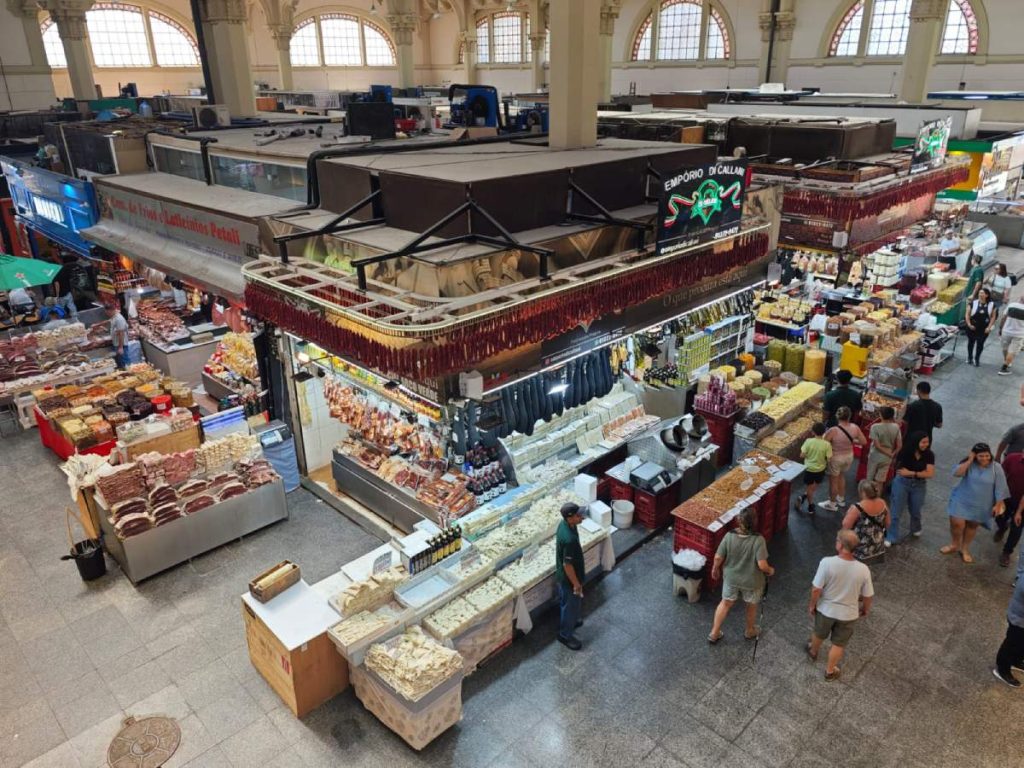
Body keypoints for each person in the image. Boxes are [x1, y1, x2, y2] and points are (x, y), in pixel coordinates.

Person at [806, 530, 874, 682]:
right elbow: (868, 595)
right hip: (848, 614)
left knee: (819, 633)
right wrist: (865, 609)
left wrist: (812, 604)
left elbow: (816, 589)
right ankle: (830, 671)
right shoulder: (863, 570)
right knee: (839, 643)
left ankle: (813, 651)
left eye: (837, 540)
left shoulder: (827, 563)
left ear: (841, 545)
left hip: (826, 610)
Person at [708, 508, 775, 643]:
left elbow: (718, 557)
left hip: (731, 578)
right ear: (754, 522)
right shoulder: (758, 540)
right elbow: (762, 565)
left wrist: (715, 569)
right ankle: (749, 631)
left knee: (725, 603)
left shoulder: (729, 536)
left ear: (739, 521)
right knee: (751, 605)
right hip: (752, 581)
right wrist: (770, 570)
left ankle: (714, 633)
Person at [942, 442, 1010, 564]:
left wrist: (998, 503)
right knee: (956, 523)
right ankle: (954, 544)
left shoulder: (996, 468)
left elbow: (1001, 487)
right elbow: (957, 473)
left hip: (982, 503)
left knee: (972, 526)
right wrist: (969, 460)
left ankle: (965, 548)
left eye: (987, 455)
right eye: (980, 456)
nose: (984, 458)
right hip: (962, 499)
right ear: (975, 455)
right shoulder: (970, 464)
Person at [886, 432, 935, 546]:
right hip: (902, 482)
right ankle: (891, 535)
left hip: (919, 485)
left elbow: (930, 473)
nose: (926, 445)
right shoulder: (905, 452)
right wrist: (917, 473)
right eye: (923, 442)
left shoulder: (929, 455)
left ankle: (916, 527)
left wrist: (911, 473)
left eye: (927, 442)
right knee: (895, 510)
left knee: (915, 509)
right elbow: (896, 465)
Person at [820, 407, 866, 512]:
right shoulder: (855, 427)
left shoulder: (833, 430)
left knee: (833, 481)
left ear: (837, 416)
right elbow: (863, 442)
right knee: (841, 476)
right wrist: (851, 441)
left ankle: (832, 504)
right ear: (850, 416)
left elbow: (823, 444)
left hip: (836, 458)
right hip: (849, 456)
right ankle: (841, 499)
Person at [554, 502, 586, 650]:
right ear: (570, 518)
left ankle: (571, 621)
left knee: (569, 603)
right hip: (569, 579)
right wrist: (576, 584)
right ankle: (565, 635)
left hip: (566, 574)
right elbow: (567, 565)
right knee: (570, 605)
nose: (582, 517)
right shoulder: (569, 539)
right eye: (579, 515)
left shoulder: (565, 525)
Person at [841, 480, 891, 562]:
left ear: (863, 493)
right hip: (876, 546)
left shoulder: (857, 508)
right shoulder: (883, 503)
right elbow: (888, 523)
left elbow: (845, 526)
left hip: (859, 547)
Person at [993, 576, 1024, 688]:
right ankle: (1002, 669)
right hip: (1019, 620)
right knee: (1012, 643)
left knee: (1021, 645)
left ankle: (1016, 661)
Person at [995, 451, 1024, 568]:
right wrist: (998, 496)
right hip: (1007, 496)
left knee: (1017, 529)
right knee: (998, 516)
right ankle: (1002, 527)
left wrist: (1019, 512)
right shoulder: (1012, 458)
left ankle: (1006, 552)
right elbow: (1000, 476)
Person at [796, 422, 832, 515]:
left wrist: (810, 456)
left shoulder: (808, 441)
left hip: (809, 469)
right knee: (813, 487)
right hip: (820, 470)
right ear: (824, 432)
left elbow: (801, 455)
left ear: (813, 432)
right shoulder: (827, 444)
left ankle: (804, 497)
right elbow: (829, 459)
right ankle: (810, 506)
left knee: (810, 487)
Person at [866, 406, 902, 491]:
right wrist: (892, 454)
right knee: (880, 481)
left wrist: (888, 453)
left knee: (869, 479)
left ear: (881, 415)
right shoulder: (896, 427)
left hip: (875, 455)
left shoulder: (875, 427)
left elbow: (877, 445)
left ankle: (866, 499)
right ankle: (877, 500)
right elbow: (899, 445)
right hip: (887, 458)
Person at [902, 381, 943, 446]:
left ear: (918, 391)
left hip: (912, 438)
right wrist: (930, 421)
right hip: (926, 439)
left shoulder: (913, 406)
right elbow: (939, 425)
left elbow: (904, 422)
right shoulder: (938, 406)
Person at [965, 287, 997, 366]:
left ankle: (977, 358)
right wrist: (969, 324)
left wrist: (989, 327)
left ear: (986, 295)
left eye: (982, 293)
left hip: (984, 328)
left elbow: (993, 317)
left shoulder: (992, 305)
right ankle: (969, 357)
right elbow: (967, 314)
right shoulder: (973, 303)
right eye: (979, 293)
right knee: (971, 342)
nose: (980, 294)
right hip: (973, 326)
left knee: (980, 343)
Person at [998, 300, 1024, 376]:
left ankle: (1007, 361)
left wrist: (1000, 328)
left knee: (1005, 349)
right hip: (1019, 334)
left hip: (1006, 331)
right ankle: (1004, 368)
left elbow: (1004, 317)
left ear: (1021, 299)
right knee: (1012, 352)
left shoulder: (1012, 305)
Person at [50, 253, 79, 322]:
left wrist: (57, 295)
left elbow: (57, 284)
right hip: (67, 292)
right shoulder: (65, 271)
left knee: (61, 307)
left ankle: (61, 320)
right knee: (71, 305)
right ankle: (75, 318)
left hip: (61, 294)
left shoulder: (55, 275)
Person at [106, 303, 130, 370]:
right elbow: (110, 323)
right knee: (121, 362)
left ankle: (130, 375)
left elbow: (121, 333)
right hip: (117, 344)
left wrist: (121, 347)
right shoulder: (114, 317)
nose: (107, 314)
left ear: (111, 310)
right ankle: (125, 376)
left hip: (121, 345)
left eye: (107, 312)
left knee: (125, 362)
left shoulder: (119, 319)